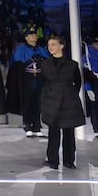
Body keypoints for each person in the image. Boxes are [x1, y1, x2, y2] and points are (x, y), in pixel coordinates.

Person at [39, 35, 86, 169]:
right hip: (51, 100)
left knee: (68, 132)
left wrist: (69, 94)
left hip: (68, 101)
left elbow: (78, 82)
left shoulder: (72, 65)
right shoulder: (45, 64)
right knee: (53, 131)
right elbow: (42, 82)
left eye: (53, 44)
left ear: (62, 46)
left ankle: (69, 160)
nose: (50, 47)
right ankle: (52, 160)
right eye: (49, 45)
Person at [6, 25, 50, 138]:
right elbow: (16, 69)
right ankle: (28, 125)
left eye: (35, 34)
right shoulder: (21, 50)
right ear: (26, 37)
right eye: (31, 35)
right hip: (27, 81)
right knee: (28, 103)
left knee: (38, 103)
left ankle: (37, 126)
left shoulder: (41, 50)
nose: (34, 36)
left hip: (39, 80)